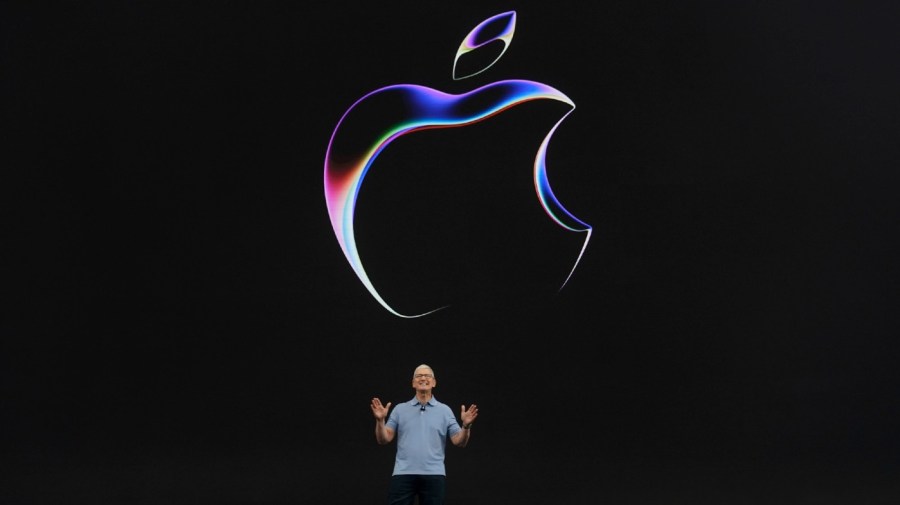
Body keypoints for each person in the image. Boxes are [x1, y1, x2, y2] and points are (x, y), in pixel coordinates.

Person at [370, 364, 479, 505]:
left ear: (434, 382)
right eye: (418, 376)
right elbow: (383, 439)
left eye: (427, 376)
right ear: (413, 383)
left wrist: (466, 426)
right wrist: (380, 421)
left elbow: (459, 441)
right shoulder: (399, 409)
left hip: (434, 474)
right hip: (403, 473)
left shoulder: (445, 411)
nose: (423, 378)